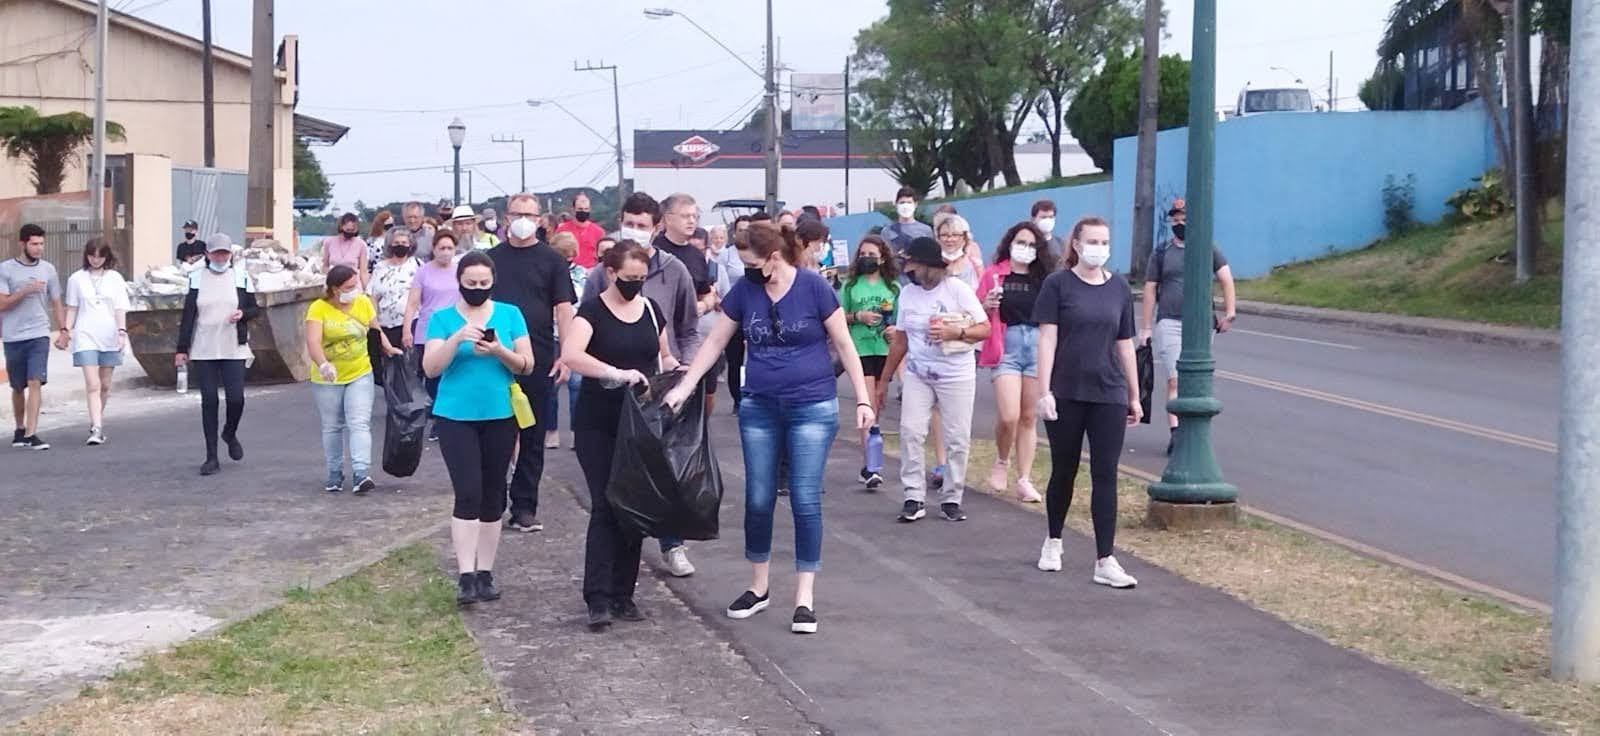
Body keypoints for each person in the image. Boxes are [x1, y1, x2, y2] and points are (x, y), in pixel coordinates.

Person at [663, 224, 875, 635]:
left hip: (812, 404)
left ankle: (804, 597)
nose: (748, 272)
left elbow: (845, 343)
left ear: (775, 257)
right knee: (758, 498)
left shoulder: (814, 288)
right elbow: (715, 342)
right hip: (760, 404)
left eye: (753, 264)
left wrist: (863, 399)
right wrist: (686, 387)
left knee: (804, 497)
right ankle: (758, 586)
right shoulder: (746, 292)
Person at [562, 242, 681, 630]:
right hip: (599, 420)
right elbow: (572, 354)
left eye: (642, 279)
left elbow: (663, 355)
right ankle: (597, 596)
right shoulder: (593, 309)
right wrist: (614, 373)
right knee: (605, 503)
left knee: (632, 505)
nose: (636, 285)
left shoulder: (650, 309)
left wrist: (678, 373)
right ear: (611, 273)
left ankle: (623, 593)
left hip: (640, 423)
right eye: (629, 279)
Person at [585, 192, 702, 577]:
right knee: (621, 492)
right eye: (628, 222)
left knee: (666, 475)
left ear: (656, 228)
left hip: (658, 388)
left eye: (642, 224)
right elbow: (584, 330)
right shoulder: (598, 276)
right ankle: (608, 584)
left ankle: (673, 544)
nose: (634, 230)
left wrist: (686, 373)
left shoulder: (674, 272)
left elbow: (685, 328)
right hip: (609, 393)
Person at [1033, 217, 1141, 588]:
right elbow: (1047, 339)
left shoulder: (1119, 289)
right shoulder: (1057, 284)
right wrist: (1043, 389)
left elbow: (1125, 342)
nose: (1099, 247)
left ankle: (1105, 559)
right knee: (1064, 469)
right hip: (1066, 390)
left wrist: (1134, 394)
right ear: (1076, 244)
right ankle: (1054, 540)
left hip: (1107, 391)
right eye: (1092, 240)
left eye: (1105, 240)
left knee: (1105, 474)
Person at [422, 250, 535, 606]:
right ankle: (465, 573)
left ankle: (485, 571)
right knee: (467, 491)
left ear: (493, 283)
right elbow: (431, 368)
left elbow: (526, 365)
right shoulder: (441, 319)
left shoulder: (510, 314)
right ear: (459, 283)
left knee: (492, 493)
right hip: (456, 415)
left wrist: (499, 350)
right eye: (471, 284)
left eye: (484, 284)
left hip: (499, 413)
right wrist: (458, 339)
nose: (477, 289)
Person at [874, 236, 989, 523]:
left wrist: (957, 334)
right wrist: (885, 380)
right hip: (919, 372)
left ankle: (952, 497)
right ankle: (914, 495)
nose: (907, 268)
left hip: (955, 374)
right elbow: (900, 340)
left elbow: (984, 328)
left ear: (927, 266)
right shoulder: (908, 295)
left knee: (957, 438)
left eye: (911, 262)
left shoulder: (957, 290)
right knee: (911, 431)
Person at [488, 194, 578, 534]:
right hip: (494, 355)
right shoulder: (490, 259)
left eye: (529, 214)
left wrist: (567, 353)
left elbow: (564, 308)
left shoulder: (552, 260)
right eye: (517, 213)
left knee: (532, 434)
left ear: (540, 219)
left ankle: (525, 506)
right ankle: (493, 501)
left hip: (538, 357)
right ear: (506, 217)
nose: (523, 219)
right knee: (496, 430)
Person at [1139, 199, 1236, 455]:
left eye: (1184, 218)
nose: (1179, 223)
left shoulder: (1207, 249)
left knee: (1195, 379)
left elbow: (1226, 279)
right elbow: (1150, 289)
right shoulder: (1161, 252)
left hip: (1200, 324)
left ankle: (1194, 431)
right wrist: (1146, 326)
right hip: (1169, 321)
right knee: (1174, 378)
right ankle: (1176, 432)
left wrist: (1230, 312)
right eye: (1175, 219)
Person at [977, 222, 1055, 504]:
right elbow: (976, 312)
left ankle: (1024, 478)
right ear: (1009, 244)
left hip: (1036, 345)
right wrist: (986, 305)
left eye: (1032, 244)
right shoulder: (994, 275)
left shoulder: (1045, 279)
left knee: (1028, 416)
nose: (1026, 249)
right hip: (1007, 344)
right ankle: (1001, 459)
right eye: (1021, 242)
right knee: (1009, 415)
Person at [306, 265, 402, 493]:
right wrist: (323, 364)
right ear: (334, 289)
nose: (353, 291)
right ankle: (334, 472)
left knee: (359, 422)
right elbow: (313, 341)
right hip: (328, 376)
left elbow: (374, 330)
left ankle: (361, 472)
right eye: (348, 287)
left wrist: (389, 349)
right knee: (332, 425)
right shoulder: (318, 309)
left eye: (355, 285)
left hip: (360, 371)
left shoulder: (363, 303)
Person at [175, 234, 259, 475]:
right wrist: (182, 348)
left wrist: (243, 313)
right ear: (208, 254)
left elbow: (255, 309)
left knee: (236, 398)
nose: (221, 257)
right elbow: (188, 315)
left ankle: (229, 433)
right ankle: (211, 456)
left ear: (230, 254)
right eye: (216, 253)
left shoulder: (241, 276)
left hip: (233, 344)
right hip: (204, 347)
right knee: (209, 400)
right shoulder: (196, 278)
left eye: (225, 253)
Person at [838, 235, 898, 489]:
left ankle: (870, 457)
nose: (866, 259)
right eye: (862, 254)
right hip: (859, 348)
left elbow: (899, 319)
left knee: (878, 402)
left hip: (883, 348)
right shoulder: (850, 286)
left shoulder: (893, 287)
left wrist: (893, 329)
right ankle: (871, 464)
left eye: (871, 255)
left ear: (882, 258)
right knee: (869, 403)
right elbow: (839, 316)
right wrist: (857, 315)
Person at [61, 238, 130, 446]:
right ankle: (96, 427)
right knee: (93, 384)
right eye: (92, 255)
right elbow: (72, 307)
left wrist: (121, 331)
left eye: (100, 256)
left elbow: (120, 308)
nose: (96, 260)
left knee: (105, 385)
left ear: (107, 256)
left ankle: (98, 420)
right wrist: (66, 330)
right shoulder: (76, 279)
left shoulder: (115, 278)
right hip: (85, 335)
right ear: (86, 255)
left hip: (109, 335)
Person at [2, 224, 65, 450]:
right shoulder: (6, 270)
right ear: (22, 244)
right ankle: (19, 429)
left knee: (35, 381)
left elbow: (56, 301)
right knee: (18, 387)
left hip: (39, 333)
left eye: (41, 244)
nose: (39, 248)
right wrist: (25, 291)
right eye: (34, 244)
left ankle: (32, 433)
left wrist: (64, 330)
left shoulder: (48, 269)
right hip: (13, 336)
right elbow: (2, 303)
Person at [404, 231, 461, 442]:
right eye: (441, 248)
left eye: (450, 248)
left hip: (454, 329)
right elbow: (412, 303)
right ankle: (436, 416)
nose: (445, 252)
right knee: (432, 376)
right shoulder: (423, 272)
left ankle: (446, 417)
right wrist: (406, 330)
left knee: (452, 373)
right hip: (428, 330)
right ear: (434, 249)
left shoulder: (460, 272)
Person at [543, 232, 586, 449]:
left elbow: (585, 302)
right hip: (550, 333)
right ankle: (551, 430)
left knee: (577, 384)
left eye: (571, 255)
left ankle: (577, 432)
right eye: (563, 254)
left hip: (576, 334)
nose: (568, 259)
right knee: (551, 384)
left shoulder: (582, 274)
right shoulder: (545, 272)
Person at [366, 228, 419, 387]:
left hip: (409, 324)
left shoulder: (416, 266)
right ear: (390, 245)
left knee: (407, 369)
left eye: (404, 243)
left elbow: (417, 298)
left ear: (410, 245)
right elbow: (372, 296)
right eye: (396, 243)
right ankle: (393, 407)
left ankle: (410, 407)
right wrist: (374, 325)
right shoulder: (380, 267)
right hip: (384, 324)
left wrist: (407, 330)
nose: (400, 246)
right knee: (388, 370)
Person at [717, 217, 752, 411]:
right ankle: (737, 400)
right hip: (734, 313)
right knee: (735, 360)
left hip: (753, 313)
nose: (744, 233)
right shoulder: (726, 255)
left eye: (748, 229)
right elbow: (721, 284)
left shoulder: (759, 254)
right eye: (740, 230)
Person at [881, 187, 934, 264]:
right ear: (896, 205)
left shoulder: (926, 230)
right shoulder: (887, 231)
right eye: (902, 203)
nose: (905, 206)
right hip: (895, 274)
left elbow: (931, 256)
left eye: (909, 202)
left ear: (915, 204)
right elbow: (884, 257)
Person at [555, 192, 606, 268]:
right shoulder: (562, 230)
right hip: (568, 271)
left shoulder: (599, 232)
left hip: (591, 273)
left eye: (586, 209)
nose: (583, 211)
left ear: (590, 209)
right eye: (580, 209)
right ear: (573, 209)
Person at [322, 213, 370, 288]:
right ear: (341, 227)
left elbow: (363, 271)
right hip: (334, 284)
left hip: (353, 285)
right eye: (348, 230)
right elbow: (325, 266)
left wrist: (366, 289)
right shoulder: (329, 242)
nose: (350, 232)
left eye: (353, 230)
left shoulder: (361, 244)